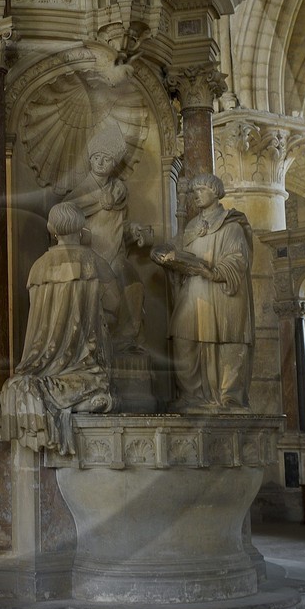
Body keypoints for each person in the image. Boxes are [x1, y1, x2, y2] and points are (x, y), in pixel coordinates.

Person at [2, 201, 119, 455]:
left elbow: (37, 321)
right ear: (82, 227)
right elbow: (115, 306)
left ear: (51, 228)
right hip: (87, 364)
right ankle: (85, 398)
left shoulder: (38, 267)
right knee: (95, 386)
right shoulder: (95, 262)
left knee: (18, 386)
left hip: (43, 364)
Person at [151, 173, 253, 409]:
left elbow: (238, 260)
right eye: (194, 191)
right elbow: (178, 247)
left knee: (226, 343)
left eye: (202, 190)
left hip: (222, 293)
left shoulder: (232, 225)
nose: (196, 195)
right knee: (182, 339)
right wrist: (163, 253)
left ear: (216, 192)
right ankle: (192, 395)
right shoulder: (192, 226)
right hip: (194, 292)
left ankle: (227, 398)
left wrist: (213, 272)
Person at [55, 123, 152, 350]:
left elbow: (115, 226)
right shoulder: (79, 193)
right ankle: (100, 344)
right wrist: (98, 200)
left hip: (116, 254)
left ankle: (126, 339)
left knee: (134, 284)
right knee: (112, 300)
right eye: (97, 157)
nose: (100, 162)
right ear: (90, 158)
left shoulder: (118, 191)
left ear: (114, 164)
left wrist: (132, 230)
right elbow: (64, 218)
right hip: (90, 255)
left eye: (106, 159)